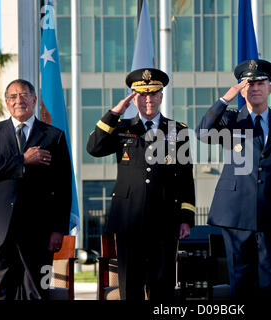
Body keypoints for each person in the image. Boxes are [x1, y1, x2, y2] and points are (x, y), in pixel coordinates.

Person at [87, 68, 195, 301]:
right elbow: (94, 148)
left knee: (163, 285)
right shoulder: (122, 128)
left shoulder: (178, 130)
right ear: (134, 98)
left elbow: (186, 176)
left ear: (161, 96)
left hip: (165, 219)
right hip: (128, 219)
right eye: (142, 94)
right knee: (130, 285)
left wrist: (186, 218)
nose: (148, 99)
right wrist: (115, 112)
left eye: (153, 93)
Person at [196, 59, 271, 300]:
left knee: (269, 279)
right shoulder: (232, 120)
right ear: (242, 89)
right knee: (240, 279)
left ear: (269, 88)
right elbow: (203, 132)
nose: (255, 88)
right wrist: (226, 98)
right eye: (249, 84)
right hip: (235, 212)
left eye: (260, 83)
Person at [0, 79, 72, 300]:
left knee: (37, 292)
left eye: (24, 95)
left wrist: (59, 230)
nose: (19, 100)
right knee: (2, 292)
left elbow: (63, 186)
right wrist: (23, 160)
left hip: (39, 232)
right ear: (7, 103)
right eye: (13, 96)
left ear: (34, 100)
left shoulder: (53, 136)